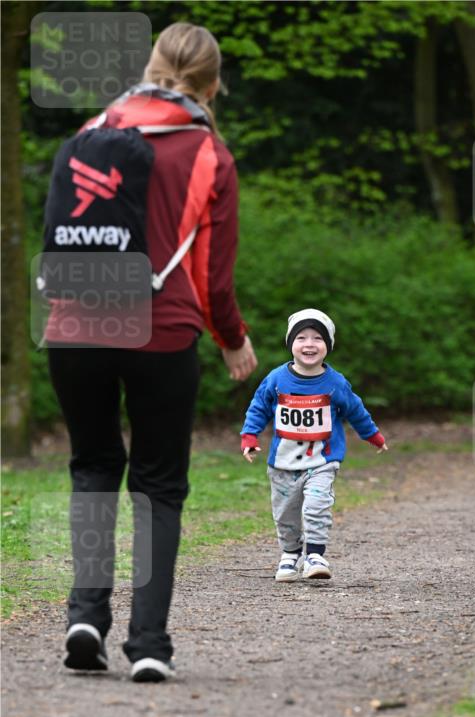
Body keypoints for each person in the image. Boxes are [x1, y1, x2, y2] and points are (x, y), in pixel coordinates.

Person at [45, 23, 257, 682]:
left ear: (151, 65)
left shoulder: (92, 130)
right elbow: (211, 277)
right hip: (161, 332)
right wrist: (233, 340)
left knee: (92, 468)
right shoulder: (208, 154)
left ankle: (85, 615)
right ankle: (150, 645)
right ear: (213, 83)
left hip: (72, 328)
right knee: (158, 486)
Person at [240, 309, 387, 581]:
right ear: (290, 344)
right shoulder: (275, 379)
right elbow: (258, 408)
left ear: (328, 346)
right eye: (302, 338)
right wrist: (249, 436)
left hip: (322, 461)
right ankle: (290, 554)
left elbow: (356, 410)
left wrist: (372, 435)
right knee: (285, 514)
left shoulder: (335, 383)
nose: (309, 344)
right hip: (283, 463)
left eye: (318, 338)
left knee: (316, 506)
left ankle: (316, 555)